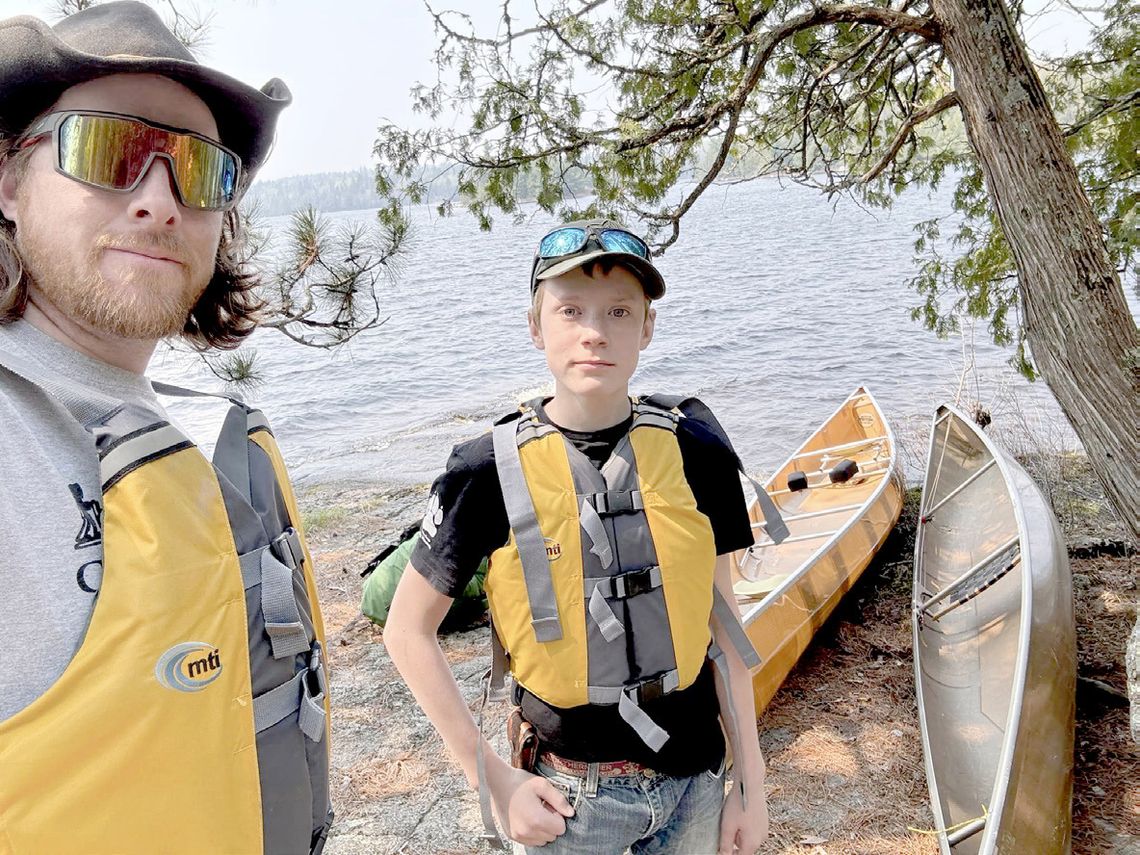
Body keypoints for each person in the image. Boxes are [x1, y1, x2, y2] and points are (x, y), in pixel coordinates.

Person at [0, 4, 332, 853]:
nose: (158, 200)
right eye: (107, 150)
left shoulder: (205, 431)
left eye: (197, 168)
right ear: (9, 180)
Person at [384, 219, 770, 854]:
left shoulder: (698, 451)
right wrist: (492, 781)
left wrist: (750, 784)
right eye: (571, 311)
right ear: (536, 326)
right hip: (568, 801)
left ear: (647, 326)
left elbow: (723, 630)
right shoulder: (485, 471)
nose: (595, 332)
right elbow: (407, 630)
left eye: (620, 311)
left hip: (695, 785)